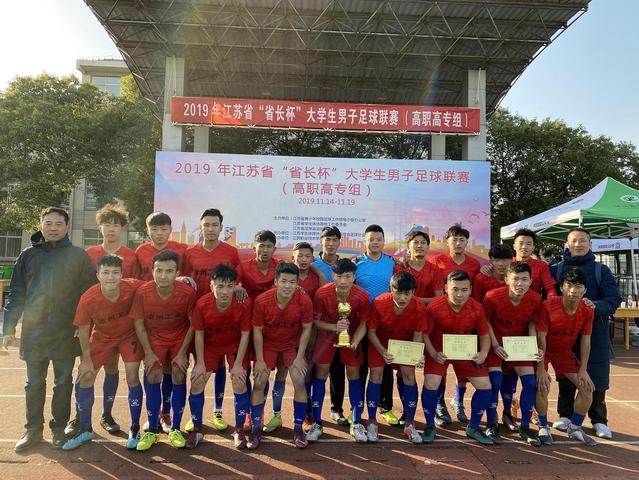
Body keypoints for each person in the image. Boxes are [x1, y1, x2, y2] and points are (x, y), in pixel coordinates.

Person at [3, 207, 95, 452]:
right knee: (34, 383)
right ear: (41, 225)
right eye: (48, 223)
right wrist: (8, 327)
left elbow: (88, 295)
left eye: (58, 224)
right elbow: (16, 294)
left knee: (63, 382)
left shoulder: (78, 256)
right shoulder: (27, 255)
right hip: (34, 332)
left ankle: (58, 429)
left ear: (67, 227)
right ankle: (33, 430)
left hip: (66, 331)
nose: (53, 228)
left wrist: (82, 325)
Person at [63, 255, 144, 450]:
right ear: (98, 275)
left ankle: (134, 428)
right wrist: (86, 360)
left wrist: (180, 279)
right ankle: (85, 428)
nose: (110, 277)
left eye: (115, 272)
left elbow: (155, 285)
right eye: (105, 272)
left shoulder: (133, 286)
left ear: (122, 274)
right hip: (102, 336)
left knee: (132, 376)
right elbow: (83, 330)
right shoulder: (88, 298)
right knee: (85, 375)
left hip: (128, 335)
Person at [74, 203, 138, 438]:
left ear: (122, 228)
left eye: (116, 225)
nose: (111, 229)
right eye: (106, 224)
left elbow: (137, 287)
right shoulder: (89, 254)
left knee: (113, 366)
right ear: (99, 227)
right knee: (86, 369)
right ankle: (79, 418)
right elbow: (81, 286)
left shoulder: (131, 255)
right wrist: (80, 322)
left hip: (122, 322)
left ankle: (107, 414)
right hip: (95, 323)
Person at [550, 228, 620, 439]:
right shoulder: (556, 268)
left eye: (582, 241)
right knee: (565, 376)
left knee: (596, 377)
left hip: (595, 332)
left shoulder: (601, 270)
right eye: (573, 241)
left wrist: (595, 306)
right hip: (564, 333)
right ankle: (565, 415)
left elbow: (613, 300)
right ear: (567, 244)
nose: (578, 244)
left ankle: (599, 420)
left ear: (590, 244)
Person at [130, 250, 196, 451]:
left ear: (177, 273)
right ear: (152, 271)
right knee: (152, 374)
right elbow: (139, 324)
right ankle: (152, 430)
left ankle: (175, 428)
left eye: (169, 271)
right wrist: (149, 353)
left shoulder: (187, 293)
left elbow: (193, 324)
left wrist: (182, 352)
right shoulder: (143, 292)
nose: (163, 275)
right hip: (155, 337)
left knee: (178, 373)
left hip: (179, 337)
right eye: (159, 270)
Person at [418, 270, 493, 445]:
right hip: (439, 350)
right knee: (431, 383)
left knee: (485, 386)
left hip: (464, 351)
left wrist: (483, 353)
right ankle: (429, 426)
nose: (459, 294)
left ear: (470, 289)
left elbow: (485, 335)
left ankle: (473, 427)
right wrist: (433, 353)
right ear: (446, 288)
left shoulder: (477, 308)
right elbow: (425, 335)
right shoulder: (435, 307)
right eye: (455, 289)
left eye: (464, 290)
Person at [182, 208, 241, 433]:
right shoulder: (190, 253)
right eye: (206, 225)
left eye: (214, 225)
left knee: (221, 365)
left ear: (221, 227)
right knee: (199, 367)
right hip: (197, 317)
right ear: (201, 227)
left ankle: (217, 411)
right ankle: (195, 416)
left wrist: (239, 288)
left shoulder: (231, 252)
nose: (210, 229)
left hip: (224, 317)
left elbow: (237, 280)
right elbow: (182, 277)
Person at [248, 263, 314, 449]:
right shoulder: (262, 300)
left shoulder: (304, 301)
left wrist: (300, 357)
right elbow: (257, 331)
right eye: (284, 281)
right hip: (268, 345)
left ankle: (298, 428)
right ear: (276, 281)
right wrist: (260, 360)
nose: (287, 286)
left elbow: (307, 329)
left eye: (292, 282)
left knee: (299, 381)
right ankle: (255, 429)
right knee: (259, 382)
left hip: (290, 346)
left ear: (297, 283)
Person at [188, 264, 252, 449]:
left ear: (235, 286)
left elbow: (245, 335)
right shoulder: (202, 304)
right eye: (220, 286)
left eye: (230, 286)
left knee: (239, 381)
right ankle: (197, 429)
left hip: (234, 345)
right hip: (210, 345)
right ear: (211, 286)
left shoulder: (243, 303)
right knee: (197, 381)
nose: (225, 291)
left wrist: (238, 365)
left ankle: (239, 430)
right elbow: (198, 334)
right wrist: (200, 363)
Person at [135, 211, 189, 432]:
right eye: (154, 229)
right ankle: (154, 416)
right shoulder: (141, 251)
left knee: (174, 369)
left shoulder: (182, 250)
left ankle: (168, 415)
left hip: (176, 319)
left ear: (170, 230)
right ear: (148, 230)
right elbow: (136, 281)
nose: (159, 233)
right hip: (152, 319)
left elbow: (188, 277)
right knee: (152, 368)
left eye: (163, 229)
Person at [307, 259, 370, 443]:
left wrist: (355, 341)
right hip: (326, 337)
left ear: (354, 277)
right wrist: (334, 327)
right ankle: (317, 422)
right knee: (321, 374)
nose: (343, 281)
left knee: (354, 375)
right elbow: (316, 321)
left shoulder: (362, 296)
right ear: (333, 276)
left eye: (348, 277)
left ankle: (356, 422)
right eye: (339, 276)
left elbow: (364, 323)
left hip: (351, 337)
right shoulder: (322, 293)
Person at [482, 261, 543, 446]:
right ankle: (491, 424)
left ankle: (524, 426)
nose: (520, 283)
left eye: (524, 279)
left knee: (530, 382)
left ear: (531, 281)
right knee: (495, 381)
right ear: (507, 279)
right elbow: (485, 322)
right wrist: (494, 344)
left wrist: (533, 346)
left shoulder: (535, 299)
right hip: (497, 345)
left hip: (519, 346)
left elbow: (532, 323)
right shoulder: (492, 297)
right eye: (515, 279)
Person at [536, 266, 598, 446]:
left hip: (564, 352)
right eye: (569, 285)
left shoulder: (588, 309)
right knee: (542, 386)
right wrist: (540, 369)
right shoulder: (548, 306)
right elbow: (540, 339)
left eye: (578, 286)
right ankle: (543, 426)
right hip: (544, 352)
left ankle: (575, 428)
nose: (573, 290)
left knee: (587, 388)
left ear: (585, 289)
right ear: (561, 287)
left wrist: (583, 369)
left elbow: (586, 340)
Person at [428, 224, 481, 426]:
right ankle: (440, 403)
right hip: (442, 321)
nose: (458, 243)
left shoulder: (475, 264)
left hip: (466, 322)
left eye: (462, 240)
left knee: (463, 367)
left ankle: (458, 400)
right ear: (447, 241)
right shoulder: (436, 261)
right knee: (440, 366)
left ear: (467, 242)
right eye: (454, 239)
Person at [366, 271, 425, 444]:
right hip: (380, 343)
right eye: (398, 292)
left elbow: (418, 334)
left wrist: (416, 355)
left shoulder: (419, 307)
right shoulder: (379, 303)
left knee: (409, 375)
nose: (402, 298)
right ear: (391, 289)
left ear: (413, 292)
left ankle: (410, 423)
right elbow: (371, 332)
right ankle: (372, 421)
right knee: (376, 375)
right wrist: (382, 351)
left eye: (407, 293)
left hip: (404, 344)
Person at [354, 224, 398, 427]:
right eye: (371, 239)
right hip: (361, 321)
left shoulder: (392, 262)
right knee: (361, 367)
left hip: (385, 321)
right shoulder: (355, 263)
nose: (375, 242)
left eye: (378, 239)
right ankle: (358, 408)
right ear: (364, 241)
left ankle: (385, 407)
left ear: (383, 241)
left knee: (385, 366)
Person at [313, 226, 350, 428]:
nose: (331, 244)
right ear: (321, 242)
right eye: (327, 240)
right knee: (315, 371)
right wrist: (317, 270)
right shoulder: (312, 263)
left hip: (342, 327)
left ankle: (337, 409)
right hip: (316, 327)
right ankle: (312, 412)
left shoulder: (345, 264)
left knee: (338, 370)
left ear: (339, 242)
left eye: (335, 240)